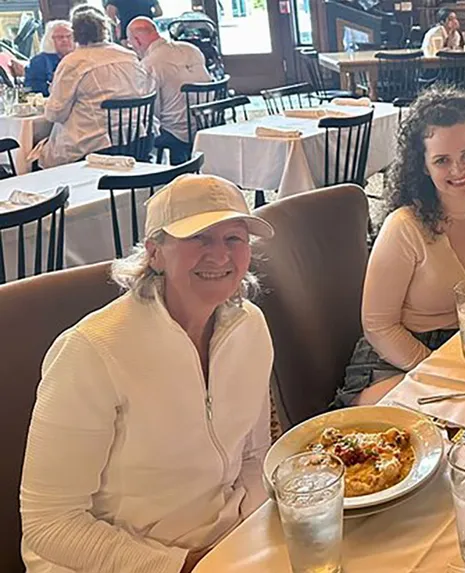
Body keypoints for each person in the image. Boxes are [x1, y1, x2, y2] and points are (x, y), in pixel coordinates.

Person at [20, 174, 275, 573]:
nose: (220, 256)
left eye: (233, 239)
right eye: (199, 238)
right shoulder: (91, 350)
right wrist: (181, 566)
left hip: (219, 542)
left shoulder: (251, 326)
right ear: (155, 253)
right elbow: (48, 523)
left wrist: (261, 535)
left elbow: (253, 455)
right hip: (119, 561)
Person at [336, 86, 465, 408]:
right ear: (423, 166)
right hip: (398, 357)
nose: (458, 170)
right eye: (442, 160)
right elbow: (379, 326)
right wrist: (439, 367)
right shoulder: (404, 227)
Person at [37, 5, 155, 168]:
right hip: (137, 139)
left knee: (37, 155)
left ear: (75, 34)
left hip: (96, 146)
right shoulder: (129, 56)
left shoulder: (73, 62)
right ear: (104, 29)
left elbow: (55, 114)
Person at [127, 16, 211, 165]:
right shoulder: (191, 49)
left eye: (130, 43)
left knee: (132, 135)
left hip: (176, 134)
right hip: (207, 123)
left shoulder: (150, 63)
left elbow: (153, 112)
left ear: (137, 41)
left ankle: (152, 177)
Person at [24, 20, 73, 96]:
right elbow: (30, 88)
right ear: (50, 39)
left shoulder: (81, 58)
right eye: (60, 37)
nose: (65, 40)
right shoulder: (38, 62)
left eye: (69, 36)